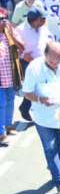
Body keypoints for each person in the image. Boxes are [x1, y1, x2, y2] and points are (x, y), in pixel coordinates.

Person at [22, 41, 60, 194]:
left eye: (58, 60)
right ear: (45, 55)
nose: (56, 64)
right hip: (43, 117)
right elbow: (26, 92)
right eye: (52, 60)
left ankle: (58, 168)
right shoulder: (34, 68)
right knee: (50, 148)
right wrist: (41, 99)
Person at [0, 8, 23, 144]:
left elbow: (22, 47)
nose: (4, 22)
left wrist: (13, 36)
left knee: (10, 102)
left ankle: (8, 125)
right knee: (1, 104)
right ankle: (1, 133)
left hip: (10, 77)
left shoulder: (9, 35)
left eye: (4, 19)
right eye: (1, 19)